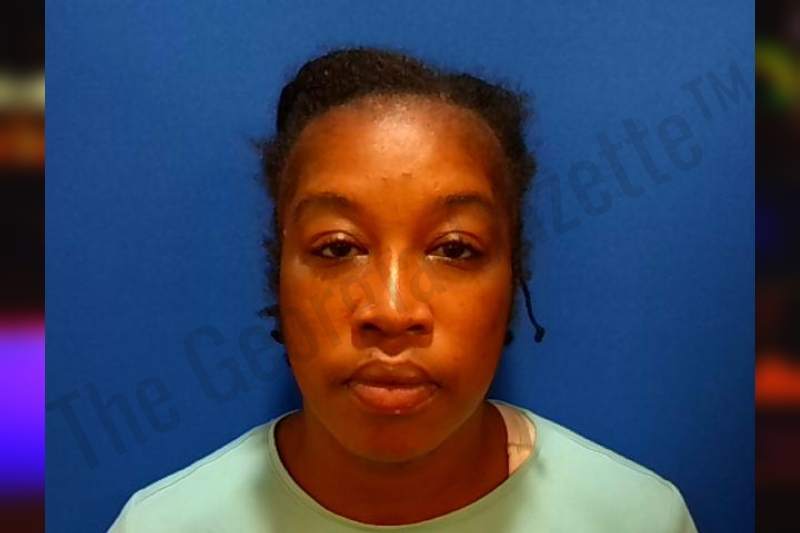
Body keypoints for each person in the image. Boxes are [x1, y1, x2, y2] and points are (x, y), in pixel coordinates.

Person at [109, 47, 698, 532]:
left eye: (455, 249)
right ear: (279, 273)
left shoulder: (637, 519)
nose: (391, 311)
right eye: (338, 248)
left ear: (513, 277)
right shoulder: (161, 525)